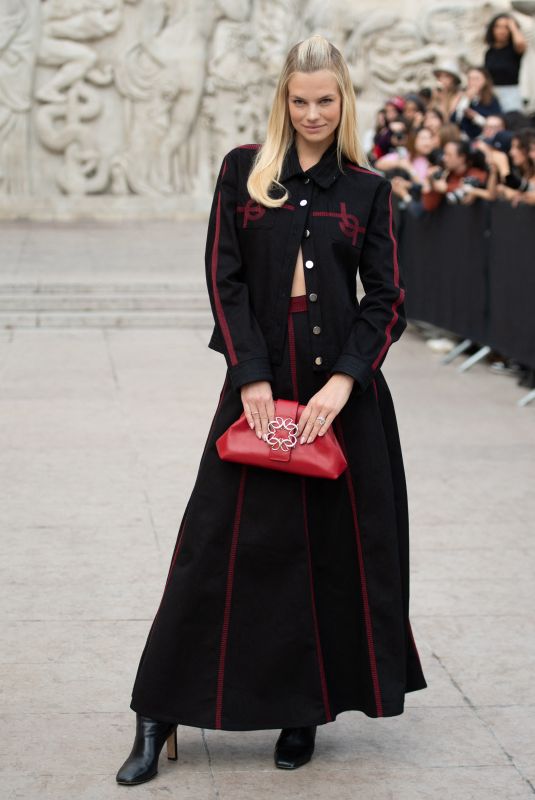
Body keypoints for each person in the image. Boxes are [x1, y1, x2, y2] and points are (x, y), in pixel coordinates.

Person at [116, 33, 428, 786]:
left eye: (326, 100)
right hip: (256, 383)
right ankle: (156, 714)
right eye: (300, 100)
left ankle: (303, 711)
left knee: (324, 558)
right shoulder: (243, 172)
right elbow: (222, 277)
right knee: (211, 550)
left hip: (339, 401)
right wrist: (250, 376)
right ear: (283, 100)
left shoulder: (367, 189)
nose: (313, 112)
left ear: (342, 100)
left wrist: (342, 384)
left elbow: (386, 300)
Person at [483, 13, 527, 113]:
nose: (501, 31)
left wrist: (513, 25)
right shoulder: (490, 52)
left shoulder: (514, 50)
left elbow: (521, 43)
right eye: (498, 27)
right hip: (492, 94)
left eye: (505, 27)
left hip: (510, 93)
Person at [449, 67, 502, 140]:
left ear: (485, 80)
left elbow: (497, 122)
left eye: (476, 79)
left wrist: (476, 117)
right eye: (470, 79)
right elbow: (455, 120)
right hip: (464, 136)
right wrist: (466, 99)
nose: (473, 82)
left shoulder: (491, 99)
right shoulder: (462, 97)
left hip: (485, 136)